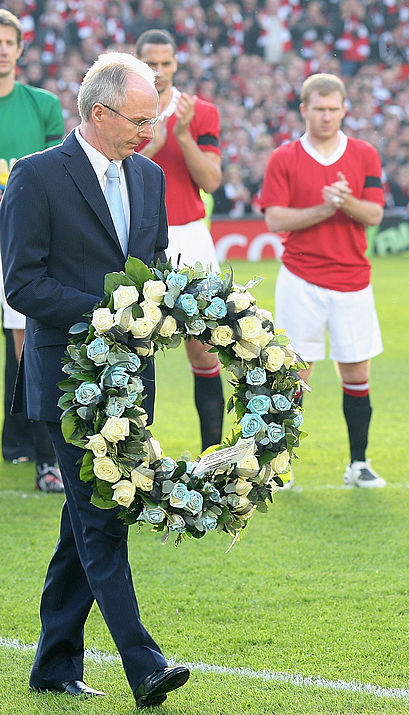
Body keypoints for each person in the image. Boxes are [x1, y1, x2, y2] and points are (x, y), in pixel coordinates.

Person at [0, 52, 190, 707]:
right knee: (104, 518)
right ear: (100, 113)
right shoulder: (35, 177)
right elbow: (21, 284)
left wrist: (175, 299)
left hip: (132, 380)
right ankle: (144, 662)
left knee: (82, 521)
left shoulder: (152, 177)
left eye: (154, 116)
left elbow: (156, 264)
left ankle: (53, 663)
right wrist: (109, 308)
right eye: (140, 118)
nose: (150, 127)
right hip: (67, 384)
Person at [259, 73, 386, 488]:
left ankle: (359, 463)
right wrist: (324, 208)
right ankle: (281, 464)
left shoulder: (365, 154)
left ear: (345, 109)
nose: (327, 116)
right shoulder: (284, 157)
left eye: (334, 109)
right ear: (304, 110)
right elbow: (275, 218)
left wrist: (344, 201)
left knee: (356, 372)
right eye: (319, 109)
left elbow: (374, 215)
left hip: (352, 279)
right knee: (294, 374)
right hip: (301, 278)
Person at [135, 29, 225, 451]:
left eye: (165, 63)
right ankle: (129, 450)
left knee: (204, 349)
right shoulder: (121, 109)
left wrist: (184, 136)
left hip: (189, 234)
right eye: (149, 63)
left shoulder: (199, 111)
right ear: (135, 64)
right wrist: (152, 144)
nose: (158, 71)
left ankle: (212, 455)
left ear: (175, 64)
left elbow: (211, 180)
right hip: (137, 237)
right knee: (133, 344)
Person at [0, 8, 64, 492]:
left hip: (16, 241)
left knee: (28, 348)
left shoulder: (42, 104)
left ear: (20, 49)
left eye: (8, 41)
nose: (1, 48)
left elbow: (50, 178)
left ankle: (47, 458)